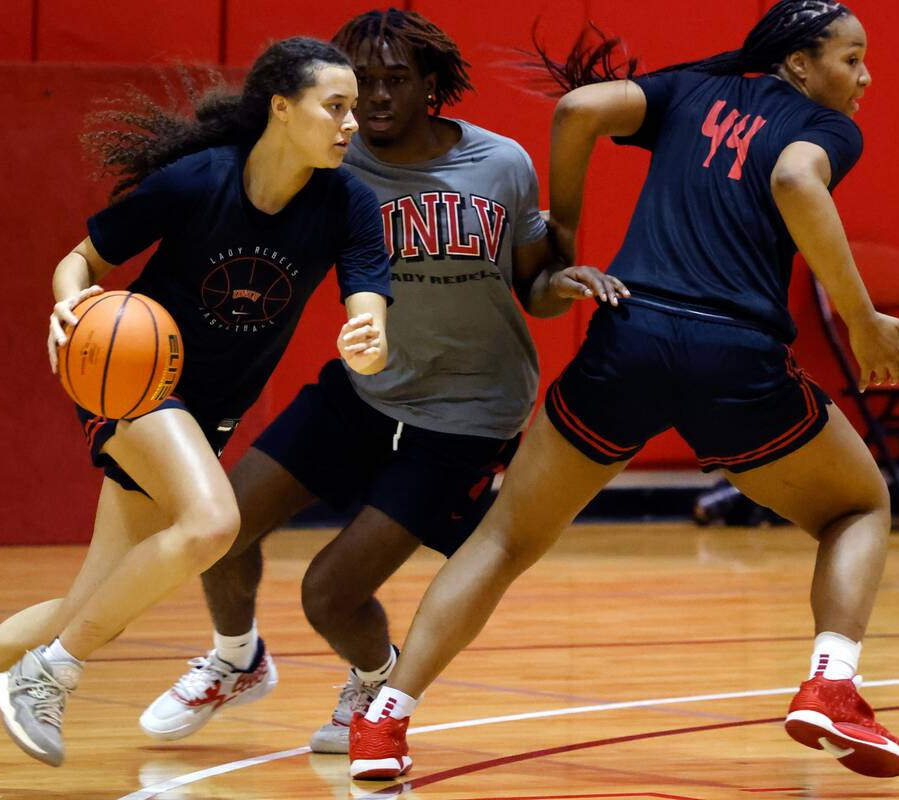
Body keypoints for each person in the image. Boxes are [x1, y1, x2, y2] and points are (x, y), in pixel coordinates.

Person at [349, 0, 899, 782]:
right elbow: (793, 178)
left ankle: (384, 721)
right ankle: (833, 684)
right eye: (850, 59)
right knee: (860, 507)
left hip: (628, 335)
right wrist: (860, 319)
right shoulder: (824, 130)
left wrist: (568, 240)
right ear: (799, 63)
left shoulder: (692, 89)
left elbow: (580, 109)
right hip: (734, 359)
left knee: (506, 537)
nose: (864, 76)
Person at [0, 37, 392, 790]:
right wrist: (68, 304)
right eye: (334, 107)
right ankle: (52, 674)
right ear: (282, 108)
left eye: (353, 109)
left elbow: (366, 304)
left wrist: (368, 340)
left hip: (206, 412)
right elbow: (81, 260)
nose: (351, 123)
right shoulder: (197, 182)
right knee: (213, 525)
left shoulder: (348, 203)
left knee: (93, 600)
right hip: (133, 376)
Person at [138, 8, 623, 754]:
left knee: (328, 595)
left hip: (465, 414)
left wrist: (569, 284)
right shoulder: (332, 160)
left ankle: (374, 678)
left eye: (396, 81)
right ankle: (237, 659)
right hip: (365, 389)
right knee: (219, 531)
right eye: (361, 84)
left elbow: (534, 286)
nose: (377, 99)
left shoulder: (501, 164)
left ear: (434, 87)